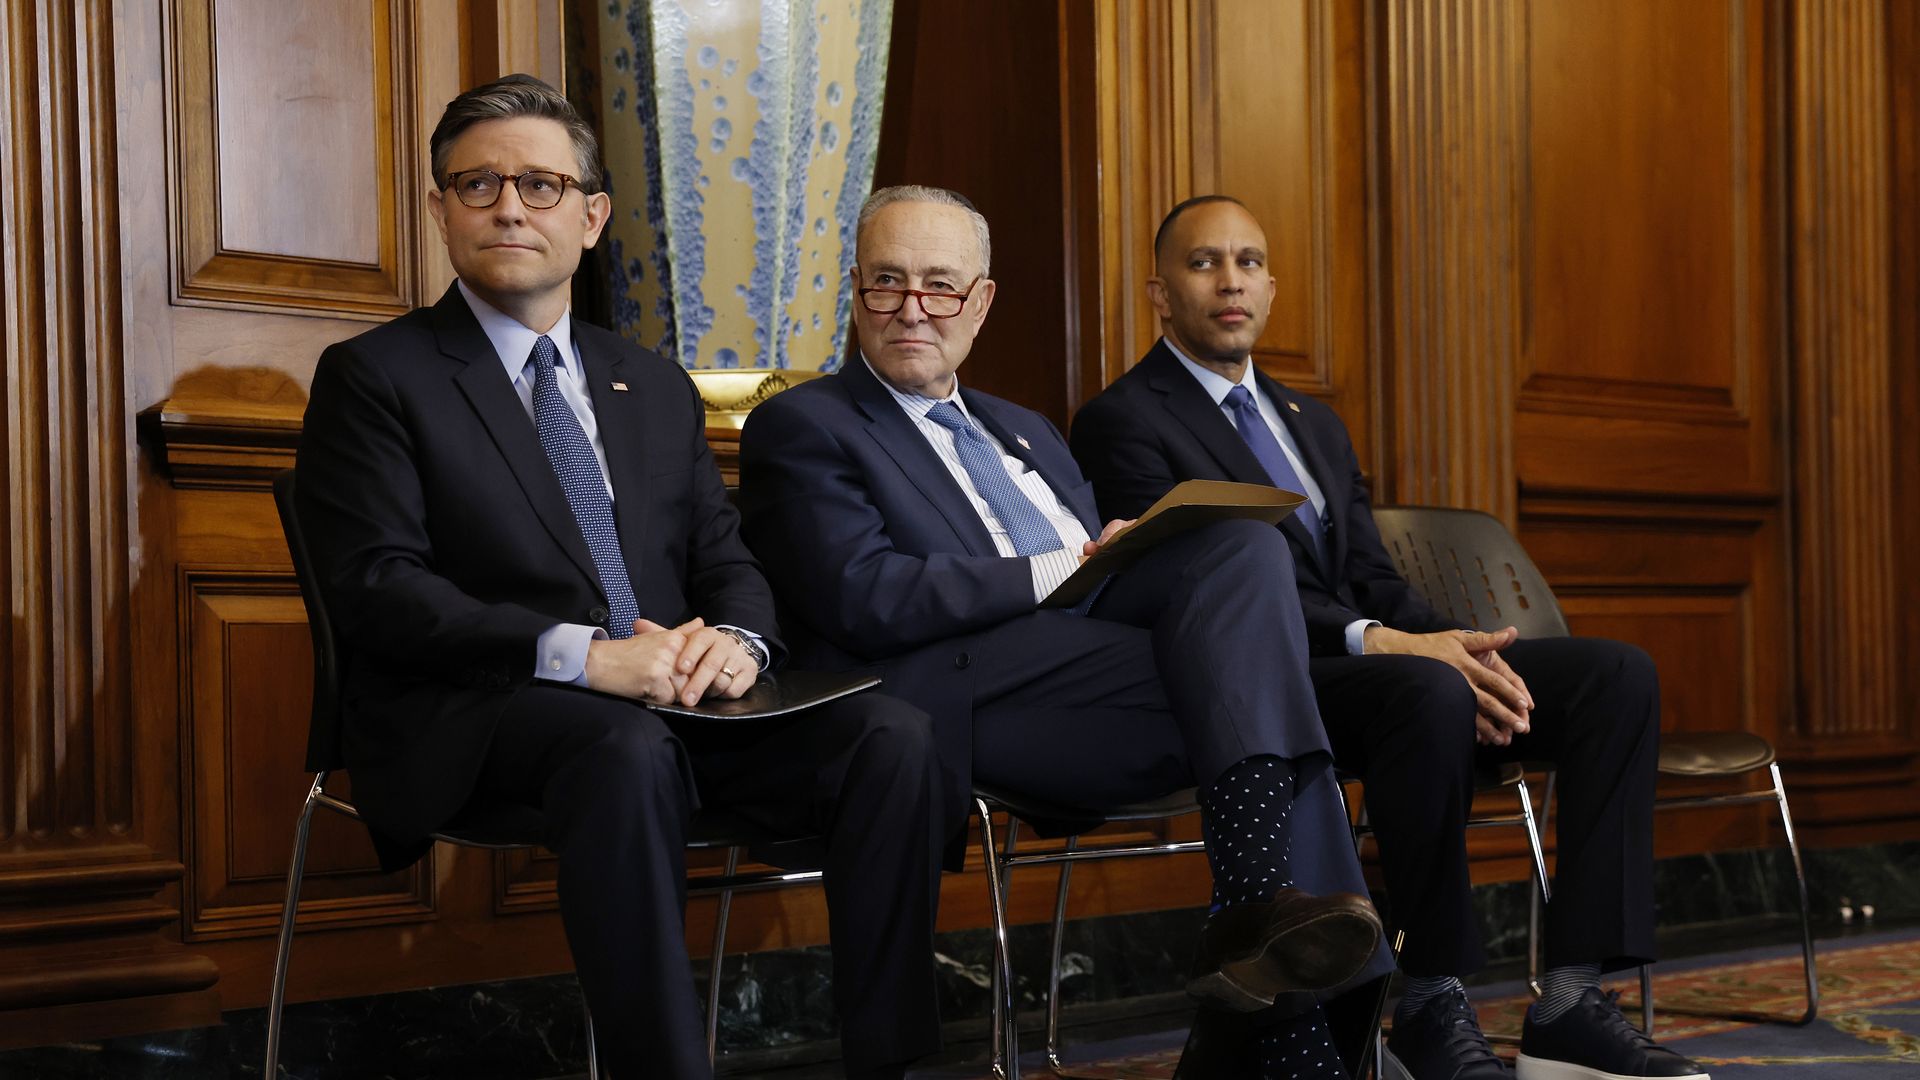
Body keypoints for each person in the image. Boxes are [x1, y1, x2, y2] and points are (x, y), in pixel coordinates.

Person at [294, 75, 950, 1080]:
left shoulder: (649, 383)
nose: (509, 205)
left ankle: (895, 1067)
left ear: (592, 216)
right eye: (477, 185)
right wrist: (586, 661)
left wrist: (735, 645)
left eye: (541, 185)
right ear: (439, 209)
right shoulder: (377, 376)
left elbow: (726, 560)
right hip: (480, 709)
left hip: (668, 704)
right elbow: (380, 589)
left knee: (890, 735)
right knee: (622, 747)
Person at [737, 184, 1394, 1080]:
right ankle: (1283, 1011)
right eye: (887, 283)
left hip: (1094, 668)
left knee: (1239, 547)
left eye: (940, 285)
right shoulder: (804, 423)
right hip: (960, 685)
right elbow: (866, 596)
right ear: (854, 290)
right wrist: (1070, 565)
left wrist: (1124, 558)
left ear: (983, 302)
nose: (912, 309)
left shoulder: (1028, 430)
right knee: (1266, 697)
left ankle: (1256, 929)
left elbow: (1106, 597)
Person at [1070, 194, 1709, 1080]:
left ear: (1272, 287)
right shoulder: (1123, 421)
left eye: (1249, 262)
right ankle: (1429, 999)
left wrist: (1458, 643)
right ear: (1159, 292)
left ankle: (1570, 998)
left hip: (1382, 666)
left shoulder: (1311, 423)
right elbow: (1195, 595)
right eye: (1204, 262)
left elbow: (1369, 577)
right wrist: (1396, 648)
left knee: (1616, 677)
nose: (1231, 282)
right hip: (1264, 688)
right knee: (1428, 688)